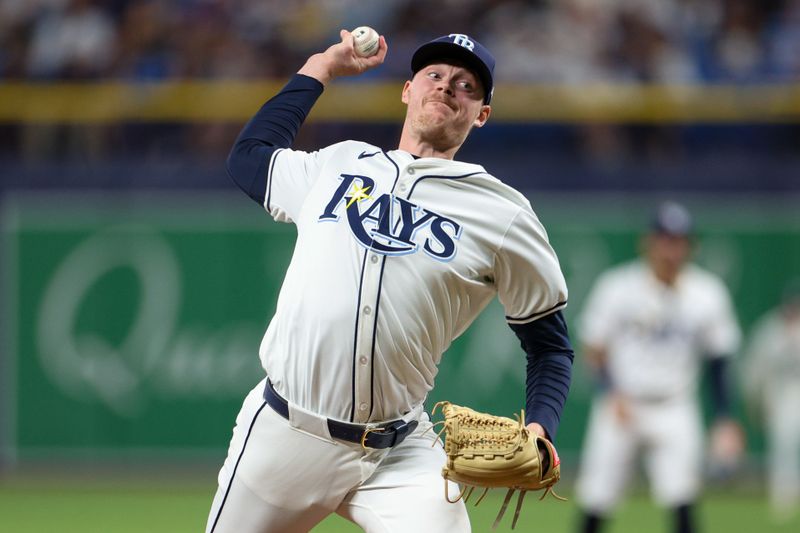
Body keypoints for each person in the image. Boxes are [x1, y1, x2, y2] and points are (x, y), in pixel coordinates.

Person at [206, 30, 575, 533]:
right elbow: (249, 156)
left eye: (466, 85)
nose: (446, 87)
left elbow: (550, 347)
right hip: (283, 434)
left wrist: (539, 428)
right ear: (408, 90)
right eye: (435, 75)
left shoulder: (503, 213)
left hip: (399, 452)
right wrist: (322, 66)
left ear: (482, 113)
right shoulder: (339, 164)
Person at [574, 201, 744, 533]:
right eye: (664, 239)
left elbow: (719, 359)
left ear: (690, 246)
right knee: (597, 497)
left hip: (674, 405)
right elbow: (594, 348)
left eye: (678, 241)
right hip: (623, 403)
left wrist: (724, 419)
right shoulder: (618, 286)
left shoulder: (707, 293)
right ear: (648, 243)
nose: (671, 249)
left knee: (682, 498)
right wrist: (610, 392)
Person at [743, 281, 800, 523]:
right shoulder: (770, 330)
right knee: (784, 449)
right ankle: (784, 500)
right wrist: (756, 402)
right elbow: (755, 369)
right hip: (782, 396)